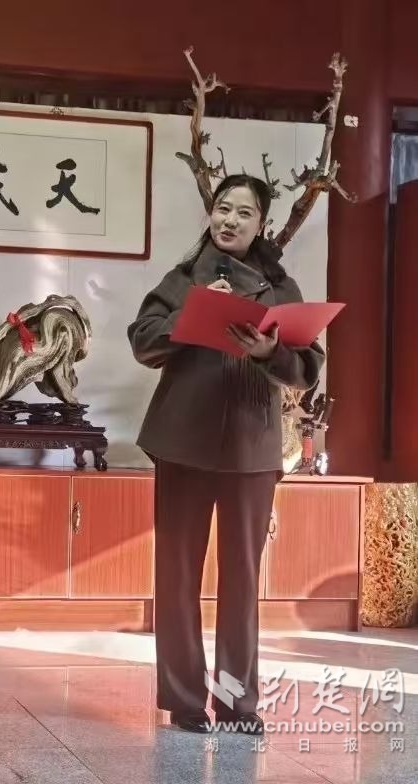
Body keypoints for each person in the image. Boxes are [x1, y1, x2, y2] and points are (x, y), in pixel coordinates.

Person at [127, 174, 325, 735]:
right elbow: (143, 341)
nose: (229, 220)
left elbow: (307, 368)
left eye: (243, 212)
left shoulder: (281, 287)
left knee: (242, 580)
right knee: (176, 574)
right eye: (222, 208)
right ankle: (185, 700)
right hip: (181, 440)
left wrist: (270, 351)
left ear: (261, 224)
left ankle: (239, 704)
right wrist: (193, 315)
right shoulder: (183, 278)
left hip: (250, 445)